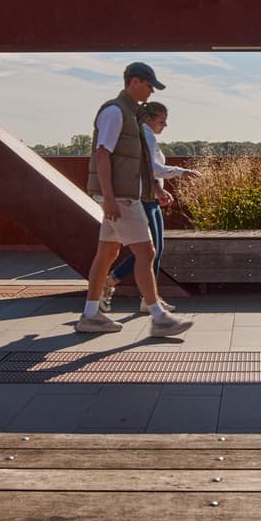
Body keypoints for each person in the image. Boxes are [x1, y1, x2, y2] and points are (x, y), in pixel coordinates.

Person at [77, 62, 195, 338]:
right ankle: (158, 317)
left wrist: (152, 187)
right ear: (135, 82)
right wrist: (108, 198)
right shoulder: (115, 112)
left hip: (120, 195)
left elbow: (136, 162)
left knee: (107, 253)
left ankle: (91, 315)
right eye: (149, 85)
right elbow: (102, 154)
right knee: (147, 252)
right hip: (120, 197)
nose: (152, 91)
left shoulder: (130, 113)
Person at [101, 101, 201, 314]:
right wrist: (181, 172)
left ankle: (146, 297)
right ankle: (115, 283)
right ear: (148, 119)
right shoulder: (144, 135)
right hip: (142, 200)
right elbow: (151, 169)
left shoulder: (149, 136)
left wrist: (159, 191)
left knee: (155, 249)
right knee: (149, 250)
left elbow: (148, 173)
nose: (164, 126)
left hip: (150, 198)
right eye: (161, 122)